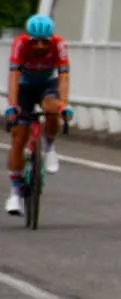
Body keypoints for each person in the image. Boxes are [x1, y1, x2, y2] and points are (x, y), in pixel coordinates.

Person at [6, 14, 71, 214]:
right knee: (19, 138)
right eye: (36, 42)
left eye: (45, 42)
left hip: (47, 85)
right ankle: (15, 193)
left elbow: (64, 77)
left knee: (52, 108)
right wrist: (12, 105)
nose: (41, 46)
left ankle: (49, 147)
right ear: (29, 38)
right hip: (25, 87)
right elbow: (14, 77)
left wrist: (64, 105)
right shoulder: (20, 44)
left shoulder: (59, 44)